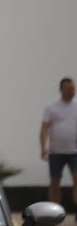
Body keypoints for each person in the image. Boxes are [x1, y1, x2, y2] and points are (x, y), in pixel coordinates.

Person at [42, 77, 77, 210]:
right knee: (55, 181)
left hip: (74, 151)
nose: (72, 91)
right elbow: (44, 127)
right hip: (56, 151)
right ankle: (55, 209)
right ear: (61, 90)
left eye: (73, 89)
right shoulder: (51, 107)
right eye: (69, 89)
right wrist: (43, 147)